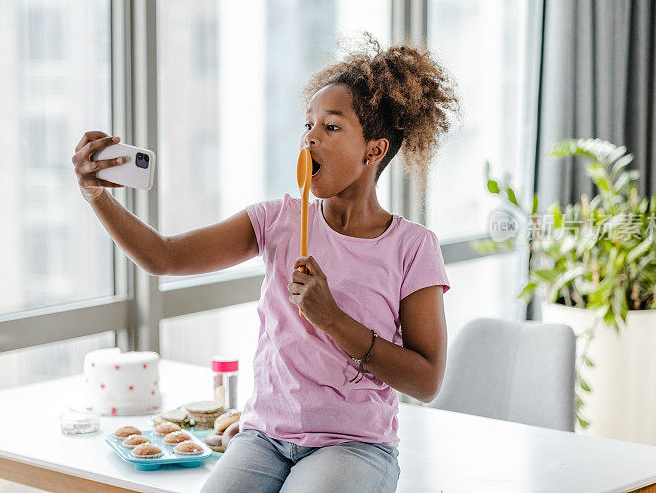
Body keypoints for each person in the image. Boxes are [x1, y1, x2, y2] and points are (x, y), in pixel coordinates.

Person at [73, 31, 460, 493]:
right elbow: (164, 257)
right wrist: (94, 195)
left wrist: (333, 319)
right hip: (264, 438)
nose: (310, 137)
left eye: (331, 127)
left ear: (373, 150)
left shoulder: (413, 247)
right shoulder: (275, 220)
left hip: (354, 445)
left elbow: (427, 381)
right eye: (308, 124)